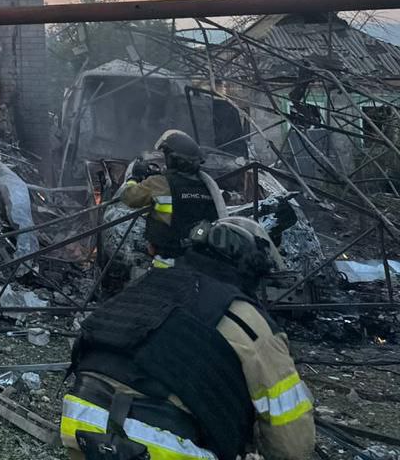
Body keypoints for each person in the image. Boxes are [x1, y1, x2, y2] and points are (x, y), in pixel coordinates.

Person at [60, 216, 314, 460]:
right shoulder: (248, 320)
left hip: (82, 425)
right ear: (252, 267)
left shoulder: (147, 286)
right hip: (161, 446)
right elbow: (292, 445)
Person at [121, 130, 221, 268]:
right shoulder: (208, 187)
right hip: (200, 262)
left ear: (173, 159)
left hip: (166, 262)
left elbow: (128, 197)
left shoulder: (159, 183)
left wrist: (133, 178)